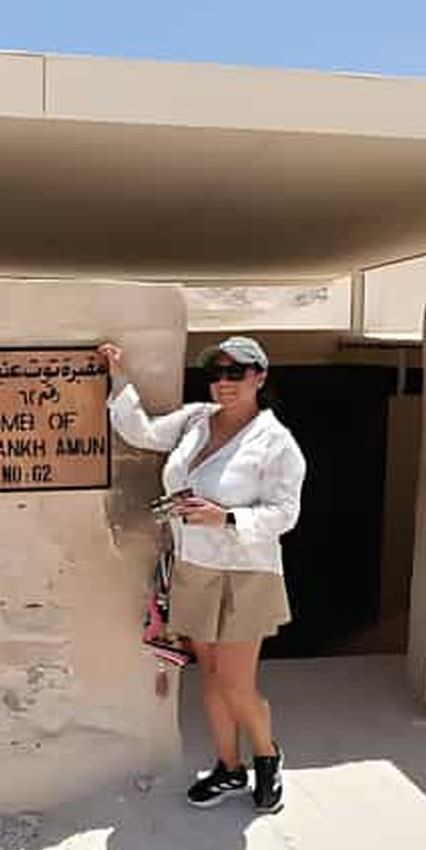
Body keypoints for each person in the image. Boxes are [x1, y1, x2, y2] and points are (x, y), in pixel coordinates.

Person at [99, 336, 306, 814]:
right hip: (195, 565)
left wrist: (226, 518)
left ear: (259, 377)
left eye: (236, 372)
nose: (224, 382)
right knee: (210, 675)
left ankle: (267, 755)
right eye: (217, 373)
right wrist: (118, 376)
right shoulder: (195, 420)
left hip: (245, 572)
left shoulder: (276, 442)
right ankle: (228, 766)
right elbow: (142, 432)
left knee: (236, 681)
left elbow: (285, 513)